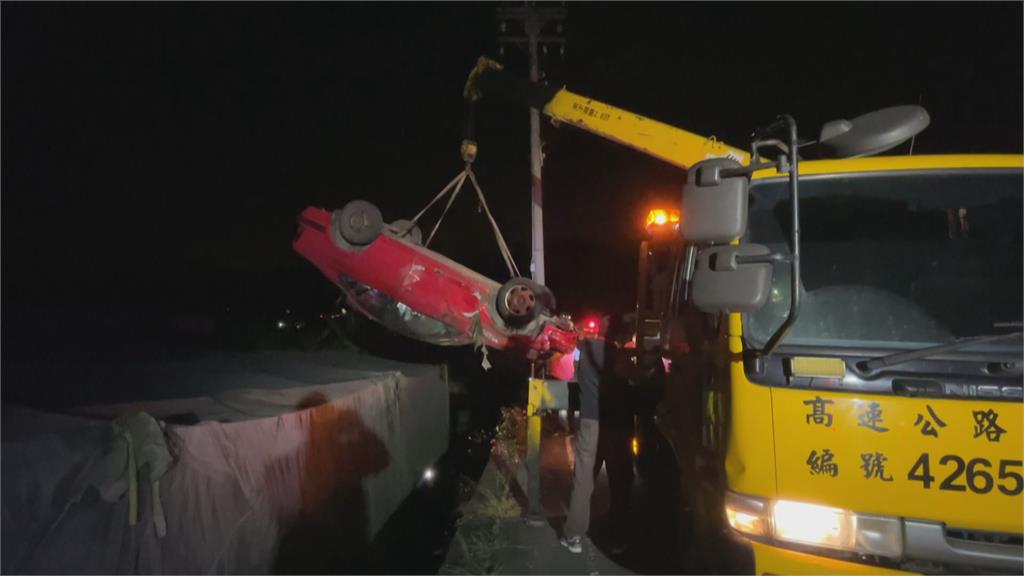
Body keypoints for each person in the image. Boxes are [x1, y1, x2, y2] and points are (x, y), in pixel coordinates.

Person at [560, 314, 630, 555]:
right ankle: (620, 536)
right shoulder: (621, 357)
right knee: (619, 479)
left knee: (584, 477)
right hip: (615, 424)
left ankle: (574, 535)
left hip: (590, 420)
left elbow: (573, 364)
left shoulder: (585, 348)